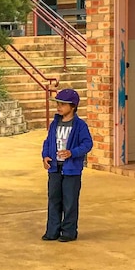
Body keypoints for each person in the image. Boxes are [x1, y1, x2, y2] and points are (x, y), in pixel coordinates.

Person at [41, 88, 92, 242]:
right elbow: (47, 142)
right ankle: (52, 231)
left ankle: (69, 232)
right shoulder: (55, 123)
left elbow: (87, 144)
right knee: (54, 199)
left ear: (73, 106)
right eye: (58, 104)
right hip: (55, 168)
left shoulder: (80, 125)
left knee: (69, 200)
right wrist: (45, 156)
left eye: (63, 104)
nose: (59, 107)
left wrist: (72, 153)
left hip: (72, 170)